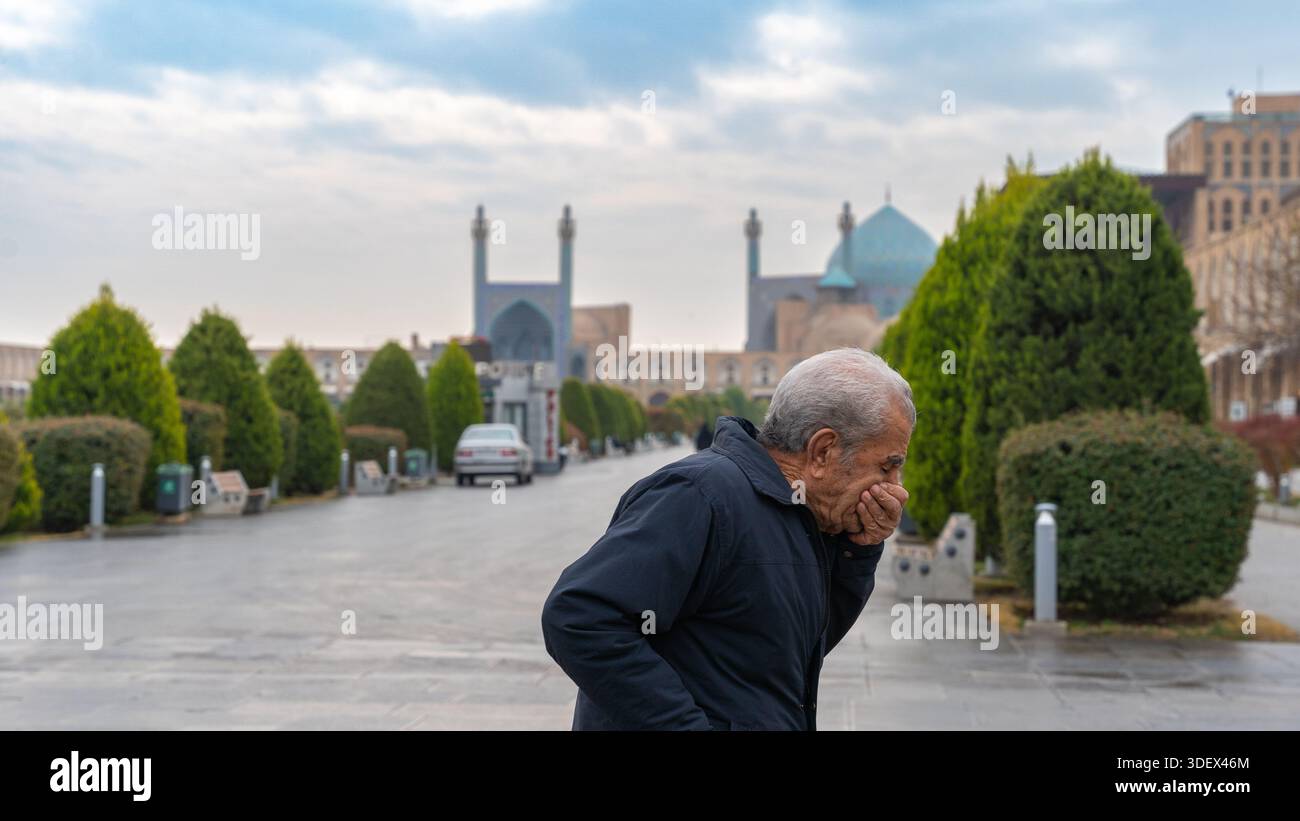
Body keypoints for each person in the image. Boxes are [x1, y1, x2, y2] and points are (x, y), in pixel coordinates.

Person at [541, 348, 913, 730]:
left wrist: (858, 551)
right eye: (887, 467)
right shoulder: (700, 495)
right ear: (822, 451)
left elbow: (793, 652)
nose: (895, 489)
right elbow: (579, 617)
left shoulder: (798, 516)